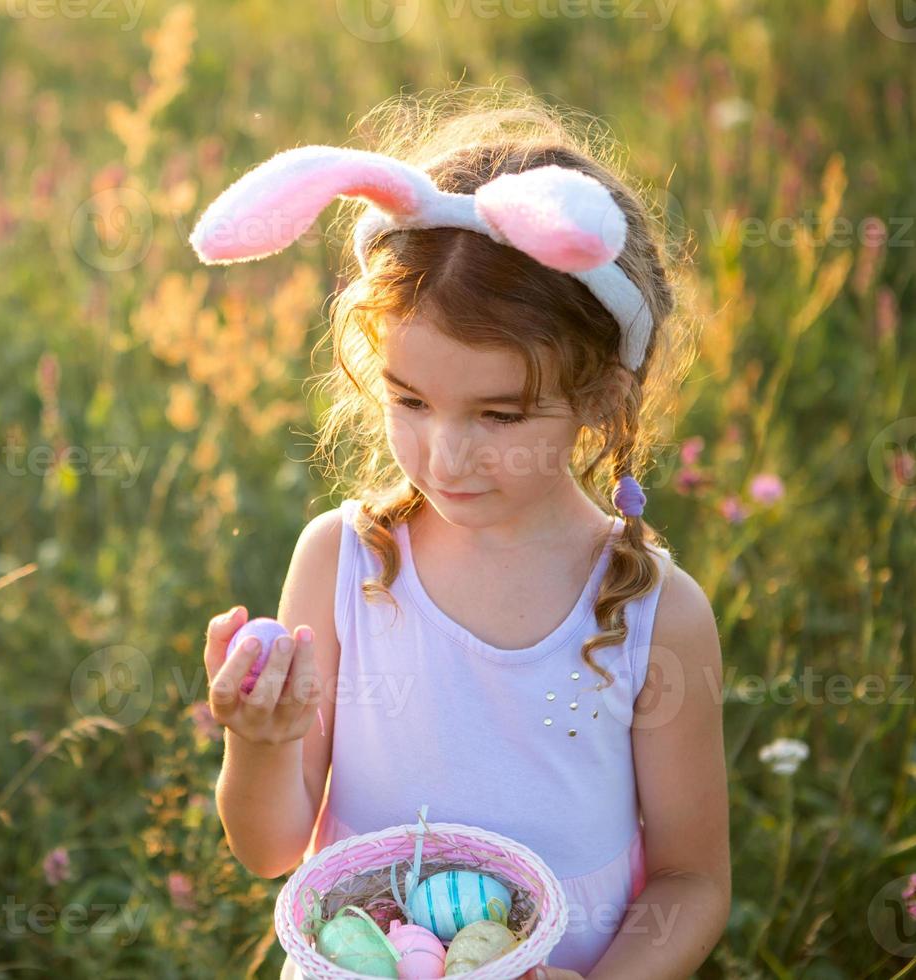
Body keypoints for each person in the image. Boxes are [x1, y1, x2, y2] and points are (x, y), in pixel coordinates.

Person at [195, 91, 731, 979]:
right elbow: (269, 849)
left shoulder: (651, 614)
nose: (445, 457)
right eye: (409, 399)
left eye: (499, 414)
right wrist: (258, 739)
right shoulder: (342, 563)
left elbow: (691, 880)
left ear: (603, 395)